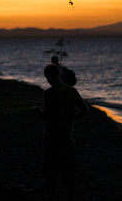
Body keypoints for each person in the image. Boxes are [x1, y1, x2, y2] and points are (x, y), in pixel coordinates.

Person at [33, 63, 89, 201]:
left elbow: (46, 117)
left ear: (47, 77)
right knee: (68, 172)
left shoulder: (49, 93)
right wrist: (70, 118)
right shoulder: (72, 91)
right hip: (67, 136)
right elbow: (86, 111)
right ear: (59, 74)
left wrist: (36, 111)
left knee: (51, 173)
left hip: (51, 137)